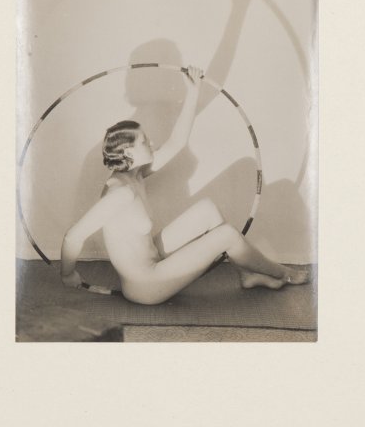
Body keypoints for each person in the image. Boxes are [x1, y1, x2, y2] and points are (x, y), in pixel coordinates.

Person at [61, 65, 309, 305]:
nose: (152, 142)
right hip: (146, 285)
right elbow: (73, 236)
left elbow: (177, 142)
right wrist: (68, 274)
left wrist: (193, 92)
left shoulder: (134, 174)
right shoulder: (120, 192)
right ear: (128, 152)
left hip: (153, 261)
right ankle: (283, 273)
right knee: (227, 235)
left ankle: (246, 274)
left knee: (207, 209)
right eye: (145, 141)